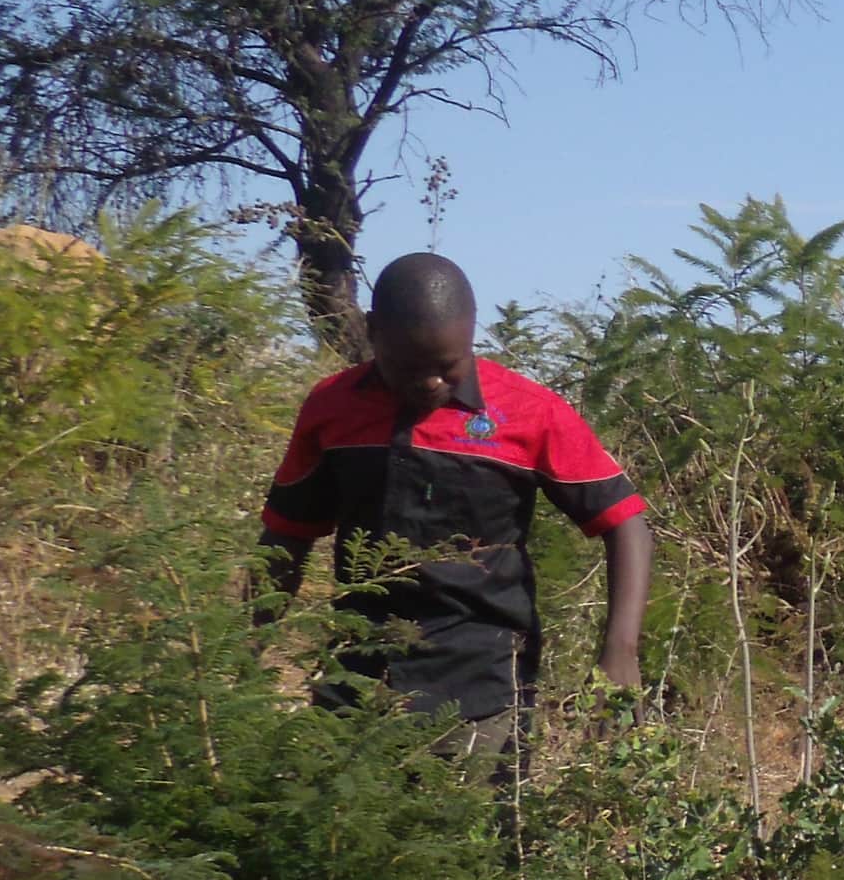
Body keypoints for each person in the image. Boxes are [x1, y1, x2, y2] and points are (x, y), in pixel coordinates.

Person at [258, 252, 651, 774]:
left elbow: (626, 522)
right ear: (372, 332)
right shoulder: (332, 408)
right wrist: (240, 646)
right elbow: (287, 535)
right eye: (409, 368)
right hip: (352, 686)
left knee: (475, 850)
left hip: (479, 700)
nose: (428, 385)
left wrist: (619, 652)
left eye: (448, 368)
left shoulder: (529, 412)